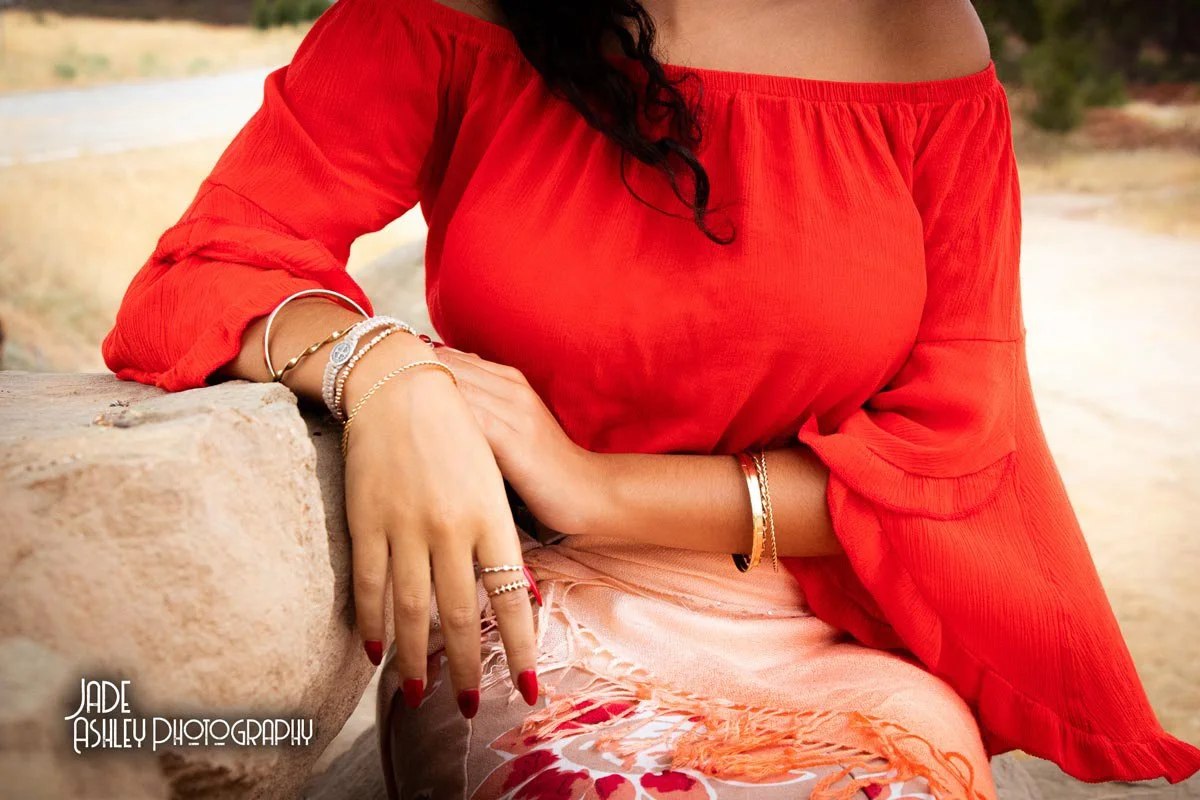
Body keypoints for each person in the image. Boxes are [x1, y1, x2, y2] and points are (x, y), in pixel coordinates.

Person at [103, 0, 1200, 797]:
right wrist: (383, 370)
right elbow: (203, 269)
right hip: (531, 614)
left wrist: (593, 485)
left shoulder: (917, 34)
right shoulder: (448, 15)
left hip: (838, 631)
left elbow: (953, 452)